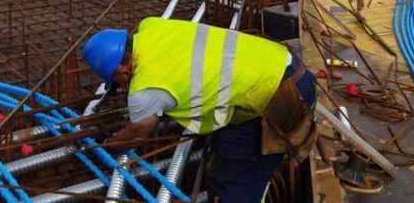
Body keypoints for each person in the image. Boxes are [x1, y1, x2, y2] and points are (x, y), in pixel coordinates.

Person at [82, 17, 317, 202]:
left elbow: (136, 134)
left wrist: (105, 147)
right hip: (281, 62)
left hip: (280, 94)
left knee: (241, 180)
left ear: (123, 71)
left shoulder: (146, 89)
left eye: (119, 83)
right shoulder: (151, 27)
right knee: (226, 150)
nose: (123, 88)